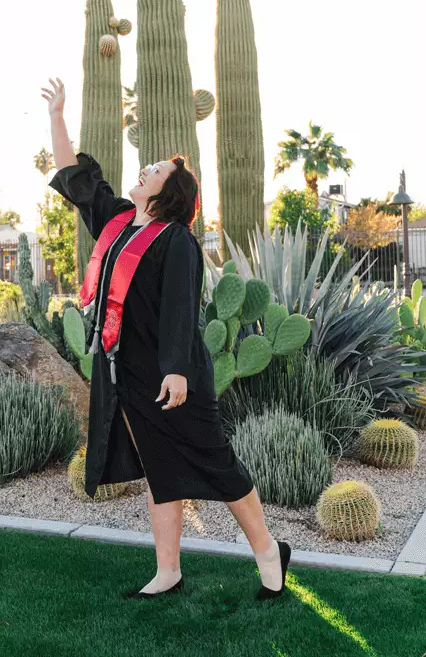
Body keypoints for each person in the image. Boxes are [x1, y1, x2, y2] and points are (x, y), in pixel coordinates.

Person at [41, 77, 291, 601]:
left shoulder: (176, 240)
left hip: (175, 375)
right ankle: (168, 570)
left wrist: (175, 368)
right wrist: (58, 117)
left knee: (216, 462)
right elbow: (76, 178)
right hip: (128, 371)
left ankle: (270, 552)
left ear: (166, 193)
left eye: (155, 170)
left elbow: (181, 309)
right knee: (159, 468)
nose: (146, 168)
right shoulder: (116, 224)